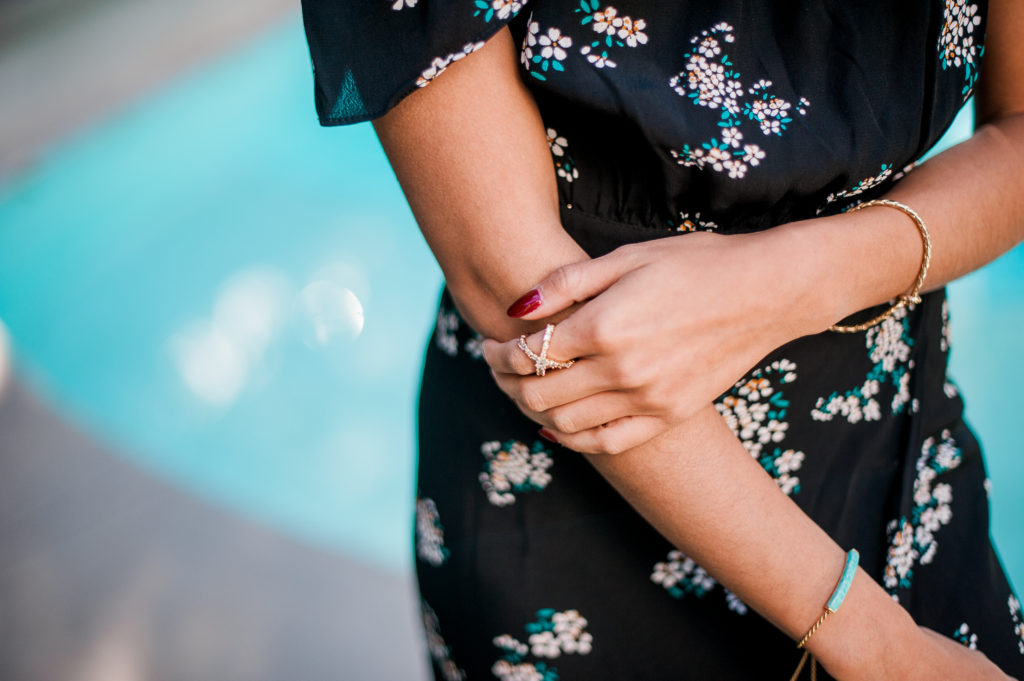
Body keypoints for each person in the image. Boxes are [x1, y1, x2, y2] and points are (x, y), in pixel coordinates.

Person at [299, 1, 1024, 678]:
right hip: (572, 517)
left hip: (894, 462)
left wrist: (785, 282)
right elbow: (510, 279)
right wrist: (876, 641)